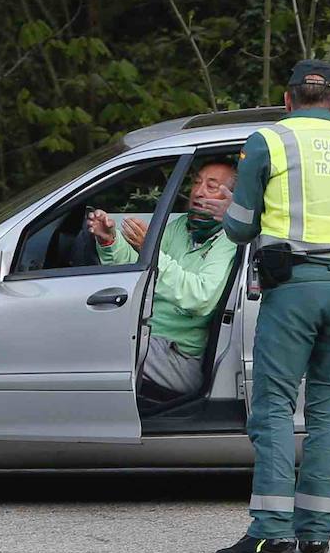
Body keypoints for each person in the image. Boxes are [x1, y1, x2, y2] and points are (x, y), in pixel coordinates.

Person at [214, 60, 330, 553]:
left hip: (292, 291)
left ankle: (270, 529)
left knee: (272, 409)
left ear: (287, 100)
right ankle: (316, 532)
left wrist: (234, 211)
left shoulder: (269, 141)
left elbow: (240, 228)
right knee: (328, 414)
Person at [86, 162, 239, 401]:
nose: (198, 192)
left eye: (211, 186)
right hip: (147, 335)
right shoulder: (181, 227)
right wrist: (110, 241)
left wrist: (151, 250)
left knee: (91, 349)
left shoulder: (230, 239)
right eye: (197, 182)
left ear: (231, 198)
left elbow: (201, 298)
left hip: (177, 356)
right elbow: (141, 267)